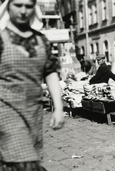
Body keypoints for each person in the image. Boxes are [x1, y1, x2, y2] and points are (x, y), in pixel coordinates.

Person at [0, 0, 64, 170]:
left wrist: (58, 107)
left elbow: (50, 72)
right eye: (18, 5)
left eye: (28, 6)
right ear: (8, 7)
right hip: (6, 112)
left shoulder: (41, 40)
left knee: (21, 160)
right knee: (23, 162)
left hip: (33, 113)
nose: (23, 11)